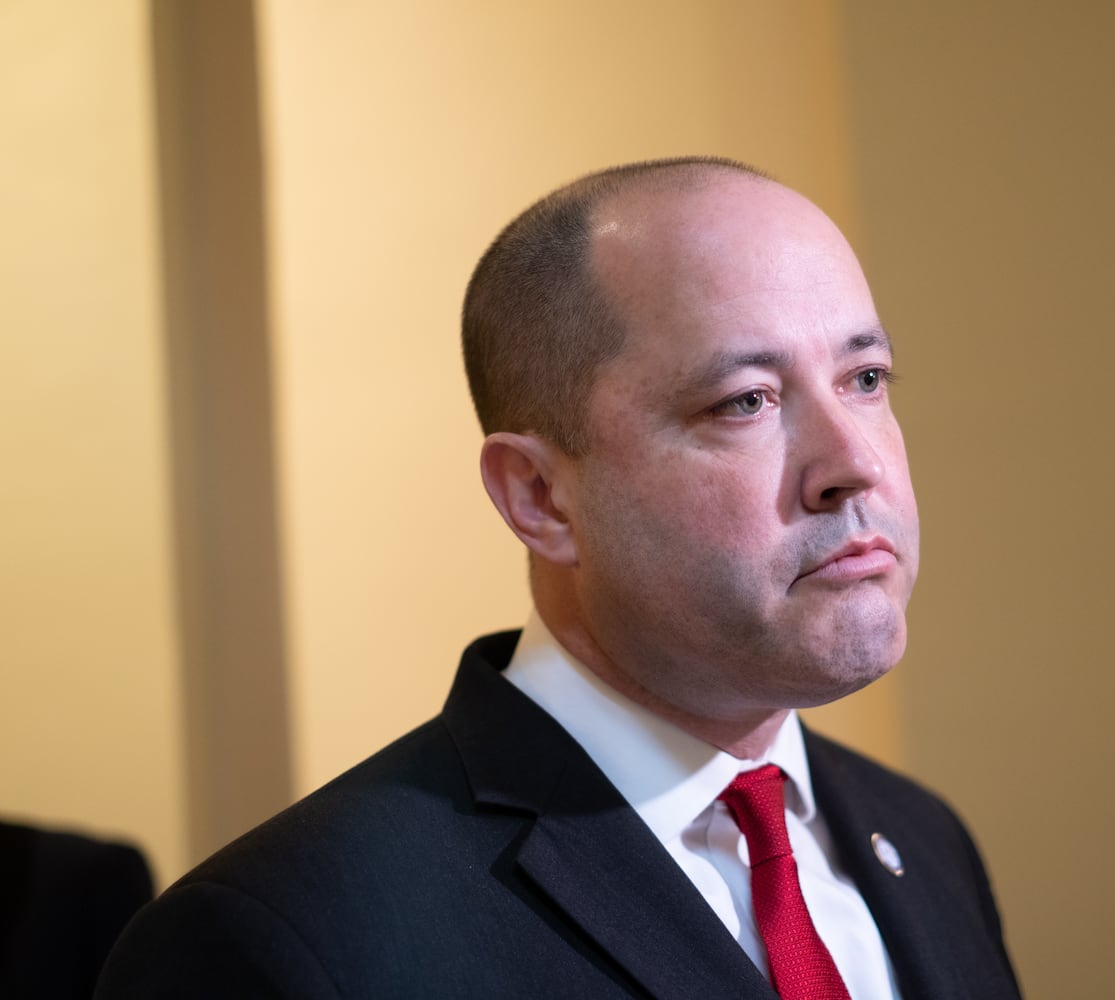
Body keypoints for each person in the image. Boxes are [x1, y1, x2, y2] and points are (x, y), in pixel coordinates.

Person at [98, 158, 1022, 998]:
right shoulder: (286, 936)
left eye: (866, 378)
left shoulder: (924, 842)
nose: (853, 464)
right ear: (539, 496)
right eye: (746, 401)